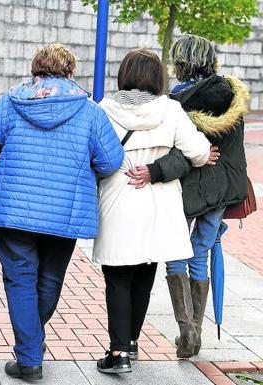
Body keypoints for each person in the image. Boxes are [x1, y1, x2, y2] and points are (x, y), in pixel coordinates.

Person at [0, 43, 124, 381]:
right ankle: (31, 348)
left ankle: (29, 356)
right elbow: (112, 161)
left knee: (20, 279)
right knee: (50, 279)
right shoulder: (90, 111)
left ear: (35, 68)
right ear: (70, 72)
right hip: (63, 213)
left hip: (11, 209)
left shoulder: (10, 103)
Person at [125, 35, 250, 358]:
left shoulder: (179, 102)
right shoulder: (233, 96)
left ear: (182, 63)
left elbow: (180, 153)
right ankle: (195, 331)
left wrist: (154, 171)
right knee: (201, 251)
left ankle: (188, 331)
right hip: (221, 192)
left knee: (176, 252)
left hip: (187, 190)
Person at [92, 49, 211, 374]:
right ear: (158, 77)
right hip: (159, 206)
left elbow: (94, 158)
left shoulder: (103, 109)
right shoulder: (171, 110)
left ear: (125, 74)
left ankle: (118, 354)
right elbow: (199, 153)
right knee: (144, 277)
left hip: (118, 199)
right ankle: (130, 343)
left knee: (117, 279)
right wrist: (159, 165)